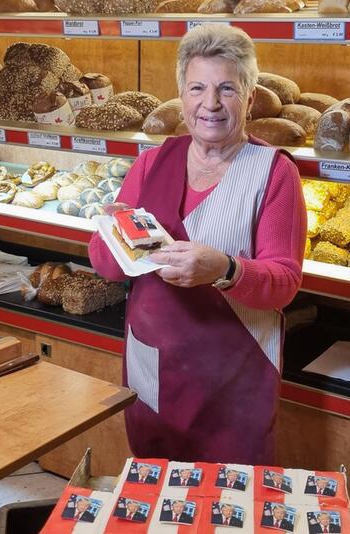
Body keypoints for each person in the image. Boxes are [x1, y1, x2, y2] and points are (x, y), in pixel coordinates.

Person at [89, 24, 306, 465]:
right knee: (156, 494)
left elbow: (284, 281)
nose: (210, 103)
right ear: (182, 96)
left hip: (235, 374)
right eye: (198, 88)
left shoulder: (274, 173)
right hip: (153, 365)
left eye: (227, 88)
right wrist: (109, 235)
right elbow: (107, 268)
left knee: (228, 503)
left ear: (248, 98)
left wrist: (227, 270)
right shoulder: (151, 162)